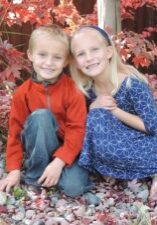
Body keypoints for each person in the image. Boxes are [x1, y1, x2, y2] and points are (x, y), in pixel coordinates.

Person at [0, 24, 93, 197]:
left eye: (57, 57)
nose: (49, 63)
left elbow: (78, 130)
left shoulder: (72, 90)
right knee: (41, 116)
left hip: (68, 149)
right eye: (42, 55)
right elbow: (15, 132)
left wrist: (59, 162)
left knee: (74, 189)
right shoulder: (23, 93)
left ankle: (53, 172)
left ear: (65, 61)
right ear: (30, 55)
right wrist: (13, 169)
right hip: (39, 147)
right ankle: (35, 176)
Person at [70, 25, 157, 200]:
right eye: (81, 54)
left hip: (146, 144)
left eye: (94, 49)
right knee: (94, 116)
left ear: (109, 52)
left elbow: (151, 126)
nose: (89, 58)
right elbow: (80, 126)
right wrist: (94, 106)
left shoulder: (132, 85)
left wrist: (114, 110)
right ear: (76, 64)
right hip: (118, 145)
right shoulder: (87, 91)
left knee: (97, 116)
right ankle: (120, 170)